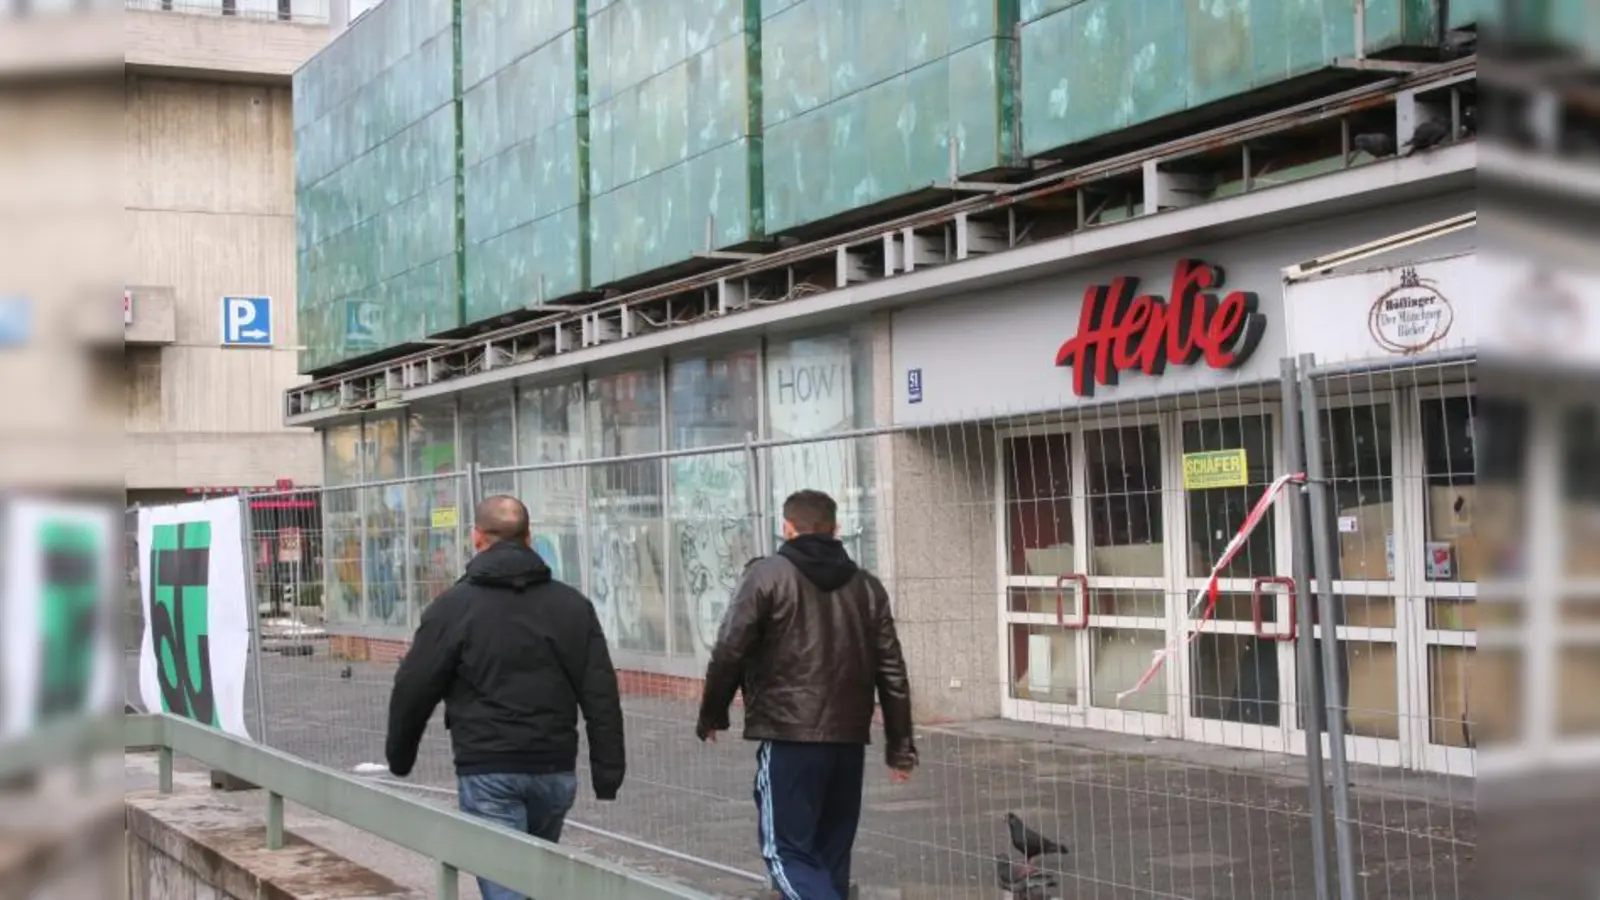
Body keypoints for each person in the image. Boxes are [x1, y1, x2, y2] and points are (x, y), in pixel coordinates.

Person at [385, 495, 625, 900]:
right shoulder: (572, 606)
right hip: (553, 770)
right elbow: (600, 692)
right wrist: (608, 772)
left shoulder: (453, 607)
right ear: (530, 538)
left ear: (476, 538)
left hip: (488, 767)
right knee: (534, 884)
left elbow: (414, 687)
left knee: (509, 889)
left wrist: (400, 756)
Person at [695, 489, 917, 900]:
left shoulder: (766, 576)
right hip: (848, 741)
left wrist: (712, 714)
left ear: (787, 528)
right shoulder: (868, 588)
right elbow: (892, 671)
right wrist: (900, 747)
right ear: (836, 528)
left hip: (788, 737)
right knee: (830, 858)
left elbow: (729, 650)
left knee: (786, 853)